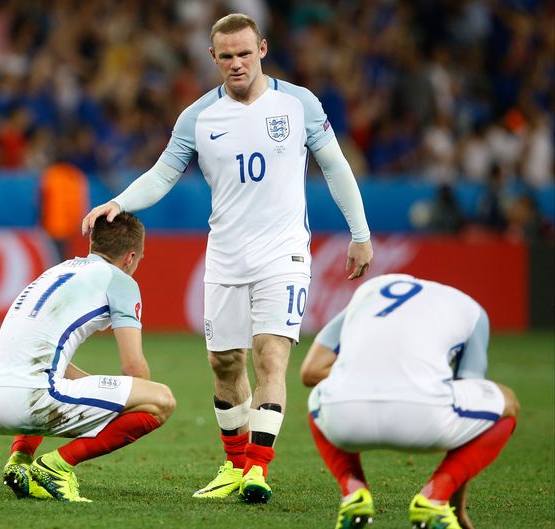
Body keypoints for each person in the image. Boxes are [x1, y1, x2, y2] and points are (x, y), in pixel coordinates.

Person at [82, 13, 373, 503]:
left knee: (270, 356)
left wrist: (359, 234)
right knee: (224, 363)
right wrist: (120, 202)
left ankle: (257, 469)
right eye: (226, 56)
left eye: (244, 53)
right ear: (212, 58)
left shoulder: (298, 104)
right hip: (225, 255)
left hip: (283, 254)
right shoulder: (198, 116)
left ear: (261, 49)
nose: (236, 63)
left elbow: (336, 166)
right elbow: (162, 174)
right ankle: (235, 466)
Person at [0, 212, 176, 503]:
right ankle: (56, 467)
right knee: (161, 400)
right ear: (131, 257)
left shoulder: (56, 271)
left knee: (53, 377)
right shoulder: (119, 280)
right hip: (30, 399)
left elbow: (35, 352)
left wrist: (97, 386)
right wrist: (130, 402)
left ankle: (20, 460)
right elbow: (134, 369)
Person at [301, 274, 519, 529]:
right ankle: (436, 496)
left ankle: (353, 490)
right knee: (508, 402)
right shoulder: (472, 310)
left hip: (345, 421)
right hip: (424, 422)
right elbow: (468, 388)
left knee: (320, 396)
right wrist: (457, 511)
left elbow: (310, 371)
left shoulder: (369, 292)